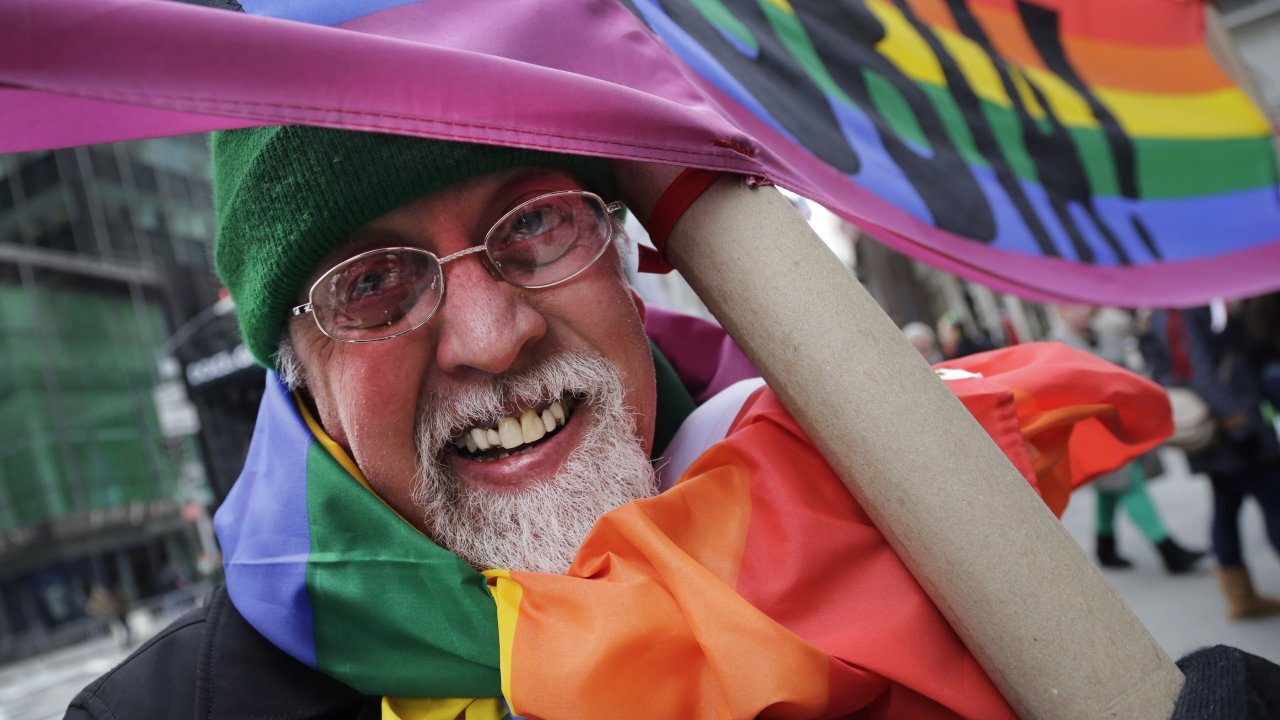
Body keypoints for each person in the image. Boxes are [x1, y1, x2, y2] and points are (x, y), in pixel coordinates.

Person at [63, 128, 1272, 719]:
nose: (491, 336)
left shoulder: (901, 502)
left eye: (533, 222)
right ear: (296, 372)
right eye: (372, 285)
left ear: (625, 249)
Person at [1144, 304, 1280, 619]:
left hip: (1214, 428)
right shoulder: (1184, 311)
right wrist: (1238, 421)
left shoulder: (1162, 313)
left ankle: (1241, 598)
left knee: (1226, 508)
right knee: (1273, 502)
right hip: (1232, 427)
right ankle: (1241, 599)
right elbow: (1200, 368)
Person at [1050, 305, 1204, 574]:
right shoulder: (1056, 346)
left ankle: (1105, 545)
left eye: (1081, 306)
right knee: (1128, 482)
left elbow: (1127, 371)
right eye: (1070, 308)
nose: (1080, 312)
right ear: (1060, 313)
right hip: (1089, 429)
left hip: (1118, 421)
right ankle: (1168, 549)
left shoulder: (1106, 333)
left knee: (1111, 487)